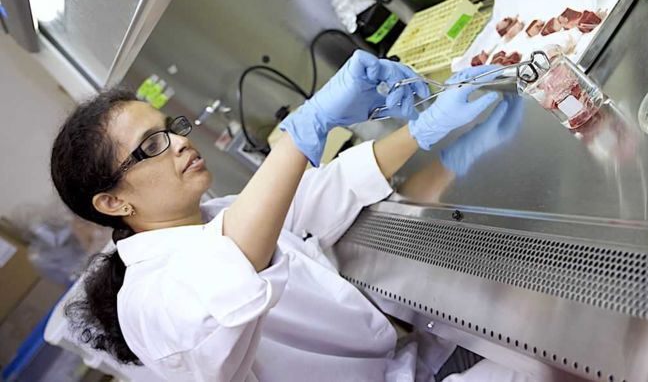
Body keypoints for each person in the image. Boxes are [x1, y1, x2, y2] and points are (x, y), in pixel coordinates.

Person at [50, 51, 530, 381]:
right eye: (152, 146)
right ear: (113, 203)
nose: (180, 142)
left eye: (171, 128)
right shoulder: (147, 306)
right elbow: (230, 269)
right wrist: (307, 127)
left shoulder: (216, 215)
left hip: (405, 365)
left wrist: (429, 134)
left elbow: (324, 192)